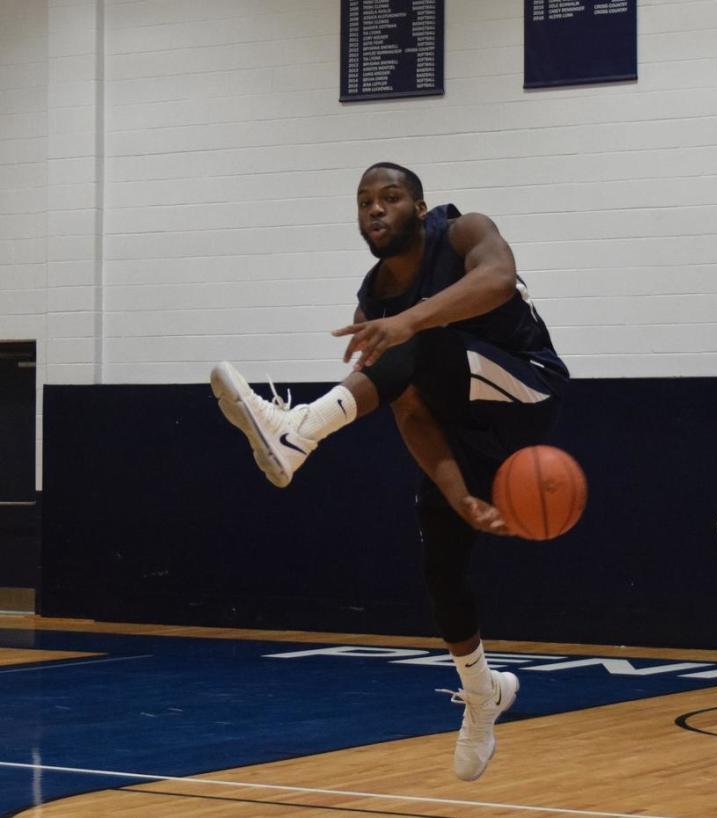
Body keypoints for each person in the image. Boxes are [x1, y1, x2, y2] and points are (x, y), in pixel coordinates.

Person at [210, 162, 569, 781]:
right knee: (441, 569)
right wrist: (457, 495)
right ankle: (484, 697)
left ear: (420, 209)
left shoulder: (460, 233)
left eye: (390, 197)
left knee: (423, 336)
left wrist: (410, 319)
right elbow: (409, 412)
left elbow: (499, 278)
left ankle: (297, 433)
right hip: (456, 423)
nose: (375, 209)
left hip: (525, 390)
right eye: (364, 201)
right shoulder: (375, 297)